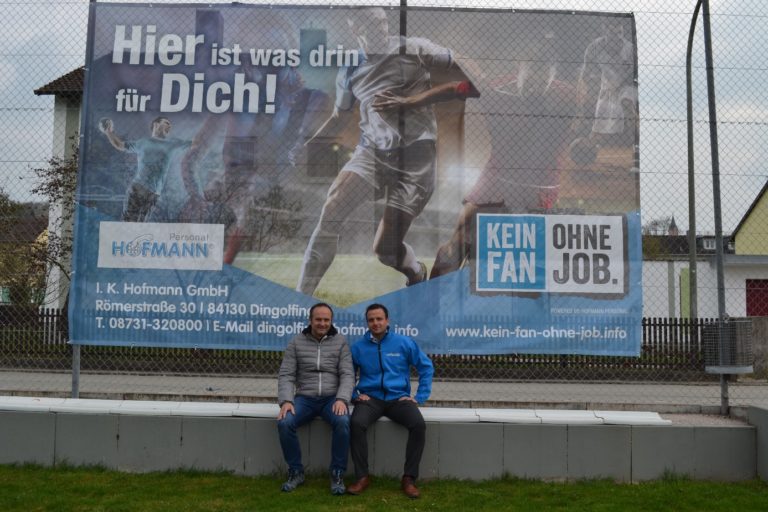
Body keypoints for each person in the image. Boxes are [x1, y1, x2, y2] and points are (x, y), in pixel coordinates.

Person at [373, 40, 579, 278]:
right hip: (498, 176)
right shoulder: (494, 88)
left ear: (552, 78)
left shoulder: (568, 97)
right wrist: (409, 101)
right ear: (520, 68)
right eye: (531, 79)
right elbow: (453, 89)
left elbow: (582, 121)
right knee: (457, 243)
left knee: (527, 253)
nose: (535, 87)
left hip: (540, 184)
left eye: (543, 83)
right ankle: (431, 297)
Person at [296, 7, 462, 295]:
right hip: (372, 153)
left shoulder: (413, 48)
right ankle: (300, 299)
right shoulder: (350, 69)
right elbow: (339, 116)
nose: (381, 29)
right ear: (354, 28)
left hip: (415, 158)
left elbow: (460, 75)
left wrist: (413, 100)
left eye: (383, 22)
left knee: (385, 250)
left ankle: (415, 271)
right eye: (373, 24)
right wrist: (309, 144)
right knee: (332, 207)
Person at [347, 303, 434, 499]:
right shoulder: (358, 347)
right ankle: (362, 477)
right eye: (371, 320)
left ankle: (409, 479)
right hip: (371, 398)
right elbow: (347, 374)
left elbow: (426, 367)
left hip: (398, 398)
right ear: (367, 323)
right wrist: (354, 394)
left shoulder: (404, 343)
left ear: (387, 321)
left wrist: (418, 397)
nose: (375, 323)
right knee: (356, 423)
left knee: (418, 425)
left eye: (379, 319)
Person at [276, 302, 354, 495]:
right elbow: (286, 374)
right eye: (318, 319)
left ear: (331, 321)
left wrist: (342, 399)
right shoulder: (296, 342)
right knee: (285, 422)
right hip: (305, 398)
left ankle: (337, 473)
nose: (322, 323)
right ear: (310, 320)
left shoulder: (341, 342)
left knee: (343, 422)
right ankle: (296, 472)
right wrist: (286, 401)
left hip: (332, 399)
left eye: (326, 320)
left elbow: (347, 374)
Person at [98, 116, 191, 222]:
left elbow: (195, 143)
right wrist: (108, 132)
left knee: (141, 225)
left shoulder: (173, 143)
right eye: (166, 123)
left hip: (154, 195)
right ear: (156, 124)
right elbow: (119, 144)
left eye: (170, 125)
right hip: (138, 189)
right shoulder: (142, 142)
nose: (169, 126)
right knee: (128, 223)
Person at [578, 22, 637, 146]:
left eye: (620, 33)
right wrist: (589, 86)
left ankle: (637, 141)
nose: (617, 36)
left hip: (628, 85)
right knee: (600, 122)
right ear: (604, 31)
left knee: (627, 104)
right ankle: (588, 147)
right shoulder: (594, 47)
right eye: (612, 33)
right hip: (607, 86)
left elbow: (634, 75)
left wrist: (620, 85)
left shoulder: (630, 49)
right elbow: (586, 72)